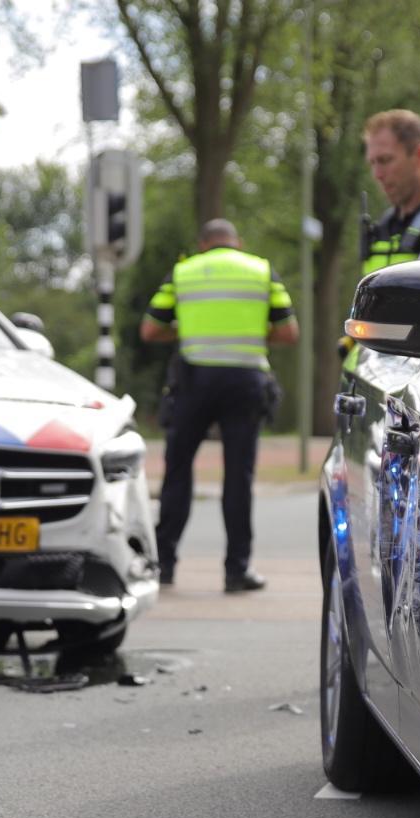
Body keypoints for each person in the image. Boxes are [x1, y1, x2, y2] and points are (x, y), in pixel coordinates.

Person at [140, 219, 298, 592]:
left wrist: (186, 329)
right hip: (245, 382)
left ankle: (164, 565)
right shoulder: (261, 270)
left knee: (178, 470)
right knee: (238, 476)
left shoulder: (182, 272)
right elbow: (289, 332)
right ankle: (236, 570)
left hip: (194, 381)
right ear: (237, 244)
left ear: (202, 245)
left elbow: (150, 330)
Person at [344, 109, 420, 371]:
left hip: (419, 382)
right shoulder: (382, 227)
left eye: (385, 160)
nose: (377, 174)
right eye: (372, 163)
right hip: (369, 376)